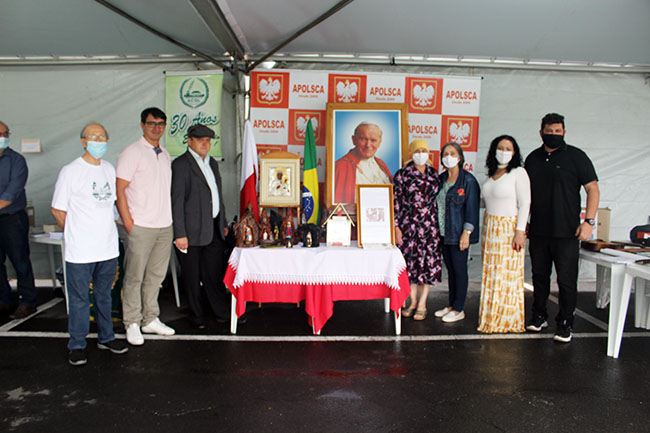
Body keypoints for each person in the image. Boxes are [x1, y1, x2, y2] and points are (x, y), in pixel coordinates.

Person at [51, 122, 129, 365]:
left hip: (107, 248)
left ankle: (107, 337)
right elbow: (58, 210)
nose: (98, 141)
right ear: (83, 141)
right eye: (93, 137)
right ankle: (77, 344)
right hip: (81, 251)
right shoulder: (71, 171)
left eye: (102, 137)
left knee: (104, 296)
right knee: (79, 299)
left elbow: (111, 205)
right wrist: (76, 233)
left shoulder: (108, 169)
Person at [525, 113, 599, 343]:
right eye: (549, 131)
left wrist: (589, 222)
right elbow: (524, 194)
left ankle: (565, 322)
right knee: (539, 277)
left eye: (558, 131)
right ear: (541, 133)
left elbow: (593, 189)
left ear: (564, 132)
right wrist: (523, 221)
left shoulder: (576, 156)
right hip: (538, 231)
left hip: (567, 232)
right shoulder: (532, 159)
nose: (553, 135)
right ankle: (539, 316)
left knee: (566, 280)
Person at [116, 107, 175, 345]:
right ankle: (131, 321)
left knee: (155, 277)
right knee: (134, 276)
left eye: (161, 124)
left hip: (164, 225)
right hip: (140, 226)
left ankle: (150, 318)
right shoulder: (132, 152)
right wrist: (129, 223)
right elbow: (120, 190)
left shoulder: (165, 153)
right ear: (142, 125)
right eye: (152, 123)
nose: (156, 128)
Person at [171, 124, 229, 330]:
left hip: (213, 227)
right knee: (192, 276)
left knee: (213, 274)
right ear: (189, 141)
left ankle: (221, 312)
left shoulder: (212, 162)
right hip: (191, 231)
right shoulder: (181, 164)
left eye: (207, 140)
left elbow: (217, 195)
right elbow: (177, 201)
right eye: (200, 140)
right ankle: (196, 316)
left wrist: (222, 222)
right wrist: (180, 233)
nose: (205, 144)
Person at [478, 135, 530, 333]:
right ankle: (490, 317)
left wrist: (520, 231)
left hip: (508, 228)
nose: (504, 152)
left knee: (507, 274)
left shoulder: (518, 172)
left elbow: (525, 203)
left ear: (514, 152)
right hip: (490, 227)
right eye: (500, 148)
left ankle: (507, 320)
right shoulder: (491, 174)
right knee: (492, 273)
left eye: (508, 148)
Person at [393, 139, 442, 321]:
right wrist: (396, 227)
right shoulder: (402, 174)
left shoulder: (434, 174)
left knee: (428, 264)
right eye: (417, 151)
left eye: (423, 150)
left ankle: (423, 303)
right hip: (409, 226)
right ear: (411, 153)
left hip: (430, 227)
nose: (421, 154)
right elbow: (395, 201)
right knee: (411, 265)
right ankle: (412, 301)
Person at [434, 142, 480, 323]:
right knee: (451, 270)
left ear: (460, 157)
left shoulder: (468, 181)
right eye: (445, 154)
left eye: (453, 153)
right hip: (443, 234)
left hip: (458, 234)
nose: (449, 157)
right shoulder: (441, 179)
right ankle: (451, 305)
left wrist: (466, 233)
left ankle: (459, 308)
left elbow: (472, 210)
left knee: (460, 270)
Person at [0, 121, 37, 319]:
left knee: (20, 261)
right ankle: (3, 300)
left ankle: (28, 301)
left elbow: (12, 193)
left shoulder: (16, 160)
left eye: (5, 134)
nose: (3, 137)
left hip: (12, 219)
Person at [334, 122, 392, 203]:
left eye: (373, 140)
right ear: (354, 140)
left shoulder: (381, 164)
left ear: (379, 142)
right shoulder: (340, 166)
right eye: (363, 139)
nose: (368, 145)